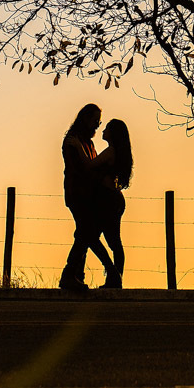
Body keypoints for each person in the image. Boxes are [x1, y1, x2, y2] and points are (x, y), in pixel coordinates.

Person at [59, 103, 117, 292]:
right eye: (95, 121)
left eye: (99, 123)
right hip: (78, 194)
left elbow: (92, 167)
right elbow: (82, 169)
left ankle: (74, 274)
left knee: (84, 234)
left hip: (87, 195)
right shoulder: (72, 141)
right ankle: (104, 270)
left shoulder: (87, 143)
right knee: (87, 234)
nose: (97, 125)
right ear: (86, 119)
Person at [90, 118, 133, 288]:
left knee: (92, 237)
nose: (103, 130)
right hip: (114, 198)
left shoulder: (110, 152)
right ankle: (116, 278)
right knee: (114, 241)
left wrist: (79, 149)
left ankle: (113, 274)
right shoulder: (117, 153)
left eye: (107, 128)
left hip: (107, 199)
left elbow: (89, 165)